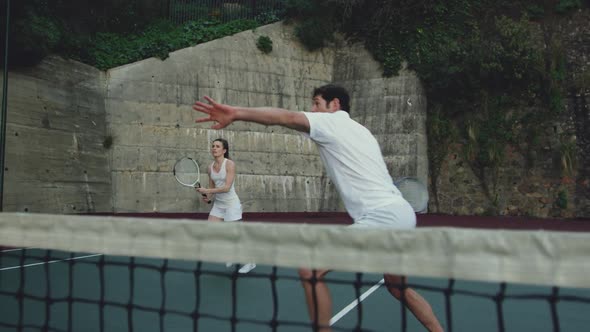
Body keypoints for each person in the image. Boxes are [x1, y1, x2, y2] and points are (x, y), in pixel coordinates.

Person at [192, 85, 443, 332]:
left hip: (382, 216)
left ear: (335, 105)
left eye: (316, 103)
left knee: (310, 267)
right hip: (401, 213)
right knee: (398, 288)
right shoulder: (361, 131)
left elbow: (284, 118)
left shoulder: (331, 123)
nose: (312, 109)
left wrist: (236, 112)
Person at [196, 138, 256, 274]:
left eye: (217, 146)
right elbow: (212, 187)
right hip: (218, 205)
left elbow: (227, 187)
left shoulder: (230, 164)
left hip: (231, 204)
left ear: (224, 150)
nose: (214, 148)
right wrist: (207, 197)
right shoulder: (210, 167)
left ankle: (250, 261)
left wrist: (208, 191)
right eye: (213, 146)